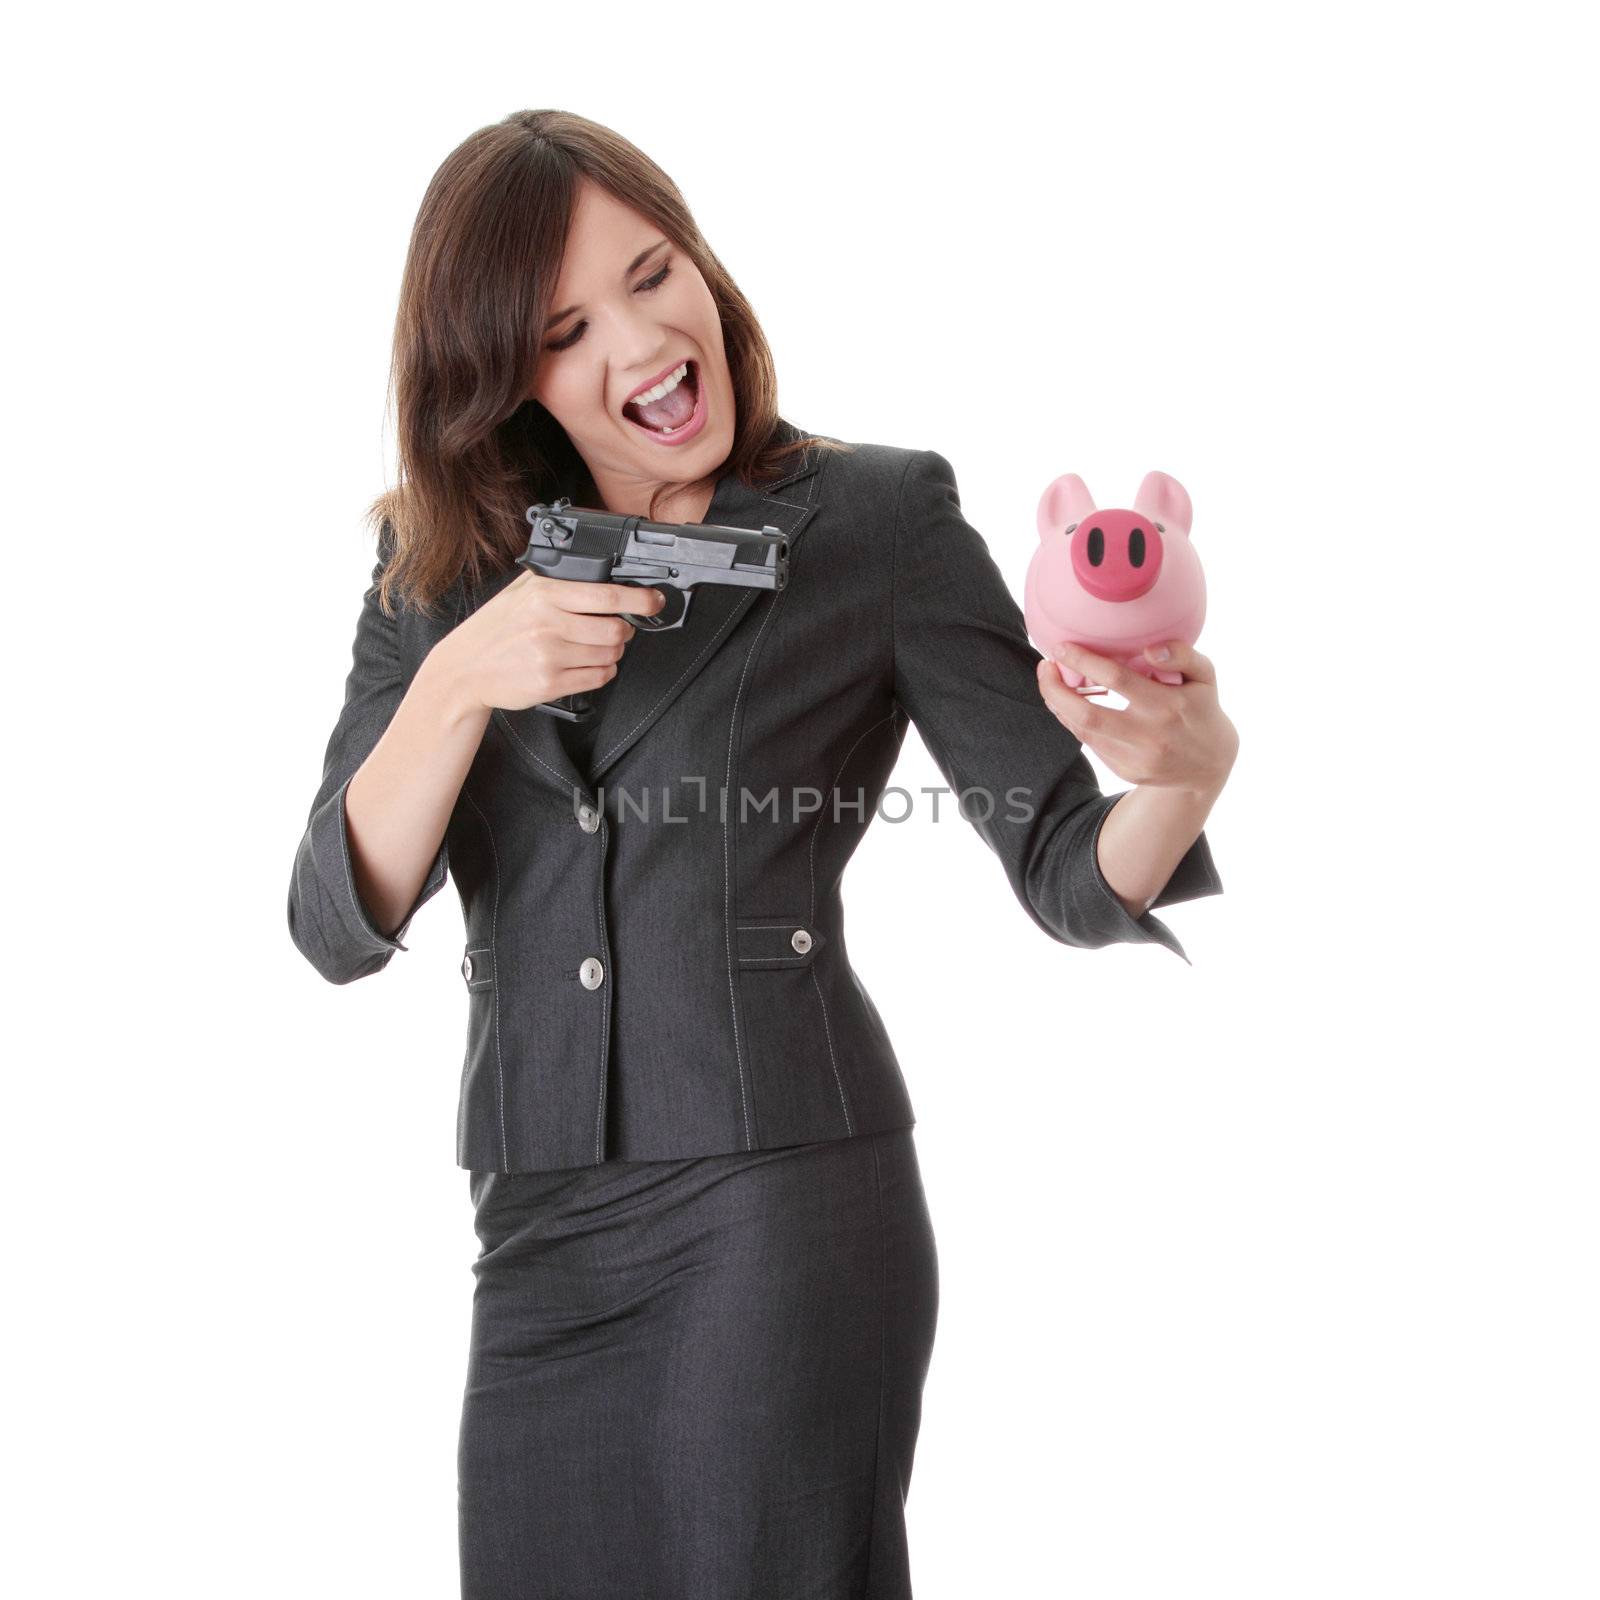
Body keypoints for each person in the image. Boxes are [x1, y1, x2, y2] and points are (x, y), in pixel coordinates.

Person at [287, 109, 1236, 1600]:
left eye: (657, 273)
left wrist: (1186, 774)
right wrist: (463, 676)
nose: (646, 339)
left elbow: (1068, 857)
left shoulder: (875, 519)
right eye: (567, 329)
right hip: (535, 1225)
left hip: (777, 1201)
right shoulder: (440, 571)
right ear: (503, 378)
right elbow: (336, 918)